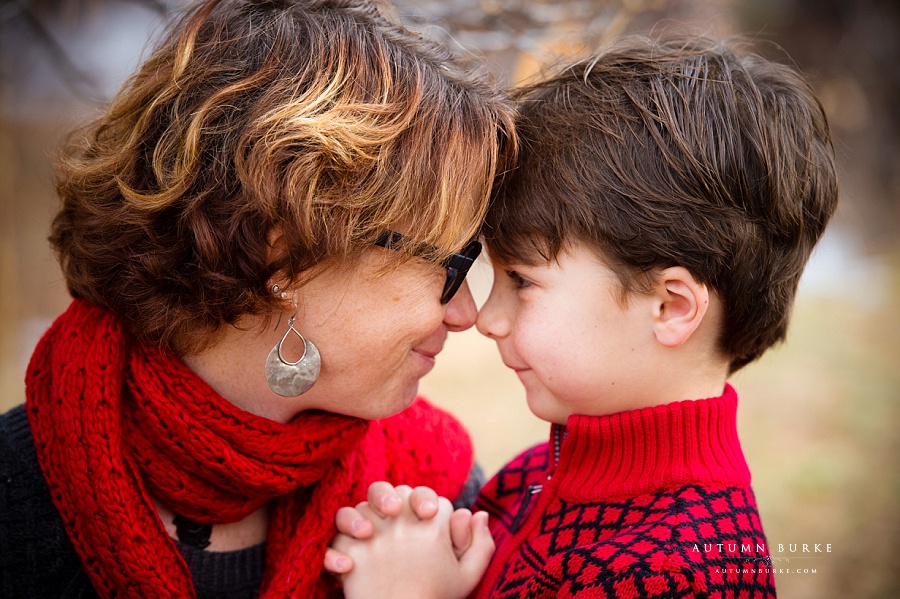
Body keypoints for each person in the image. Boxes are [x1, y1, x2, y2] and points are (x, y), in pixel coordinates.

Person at [0, 0, 516, 597]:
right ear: (289, 257)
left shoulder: (429, 496)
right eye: (448, 263)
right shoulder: (18, 501)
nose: (466, 314)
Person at [326, 34, 838, 598]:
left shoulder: (686, 572)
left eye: (522, 282)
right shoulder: (535, 474)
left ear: (670, 307)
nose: (486, 319)